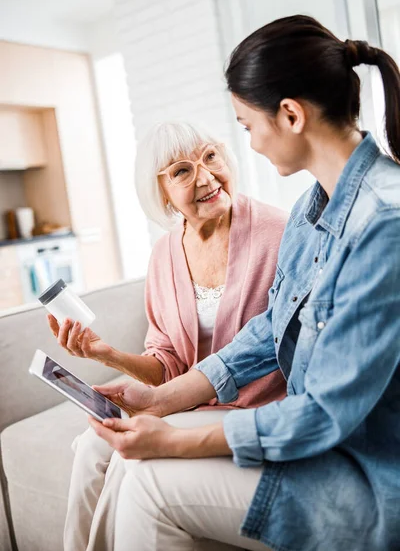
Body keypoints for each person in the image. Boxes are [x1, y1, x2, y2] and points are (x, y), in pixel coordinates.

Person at [89, 15, 400, 551]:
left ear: (290, 115)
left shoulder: (385, 226)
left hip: (358, 473)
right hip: (314, 443)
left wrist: (177, 444)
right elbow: (266, 332)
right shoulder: (313, 208)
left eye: (246, 126)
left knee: (148, 481)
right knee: (102, 451)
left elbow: (326, 412)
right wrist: (162, 400)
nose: (249, 146)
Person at [48, 122, 287, 551]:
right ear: (160, 192)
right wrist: (107, 354)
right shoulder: (164, 254)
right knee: (90, 448)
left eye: (210, 157)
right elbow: (168, 364)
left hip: (255, 405)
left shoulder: (280, 232)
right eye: (182, 170)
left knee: (129, 459)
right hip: (189, 398)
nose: (206, 176)